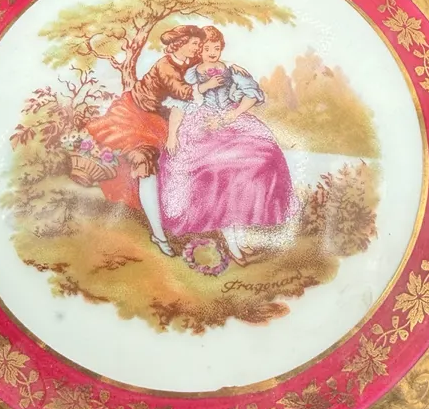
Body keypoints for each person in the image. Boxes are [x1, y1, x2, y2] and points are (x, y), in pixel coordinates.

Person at [157, 26, 299, 264]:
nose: (212, 52)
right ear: (199, 50)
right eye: (206, 48)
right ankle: (232, 244)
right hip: (200, 127)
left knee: (261, 159)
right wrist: (172, 135)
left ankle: (240, 239)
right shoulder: (191, 75)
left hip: (230, 121)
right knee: (220, 174)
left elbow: (252, 94)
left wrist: (232, 115)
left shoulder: (232, 70)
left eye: (216, 47)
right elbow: (179, 105)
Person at [84, 25, 212, 254]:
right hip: (136, 118)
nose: (198, 48)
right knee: (146, 166)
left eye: (198, 44)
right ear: (180, 44)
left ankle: (189, 220)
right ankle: (159, 235)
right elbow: (182, 91)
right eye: (194, 43)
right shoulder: (165, 65)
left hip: (164, 120)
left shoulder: (191, 62)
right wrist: (209, 85)